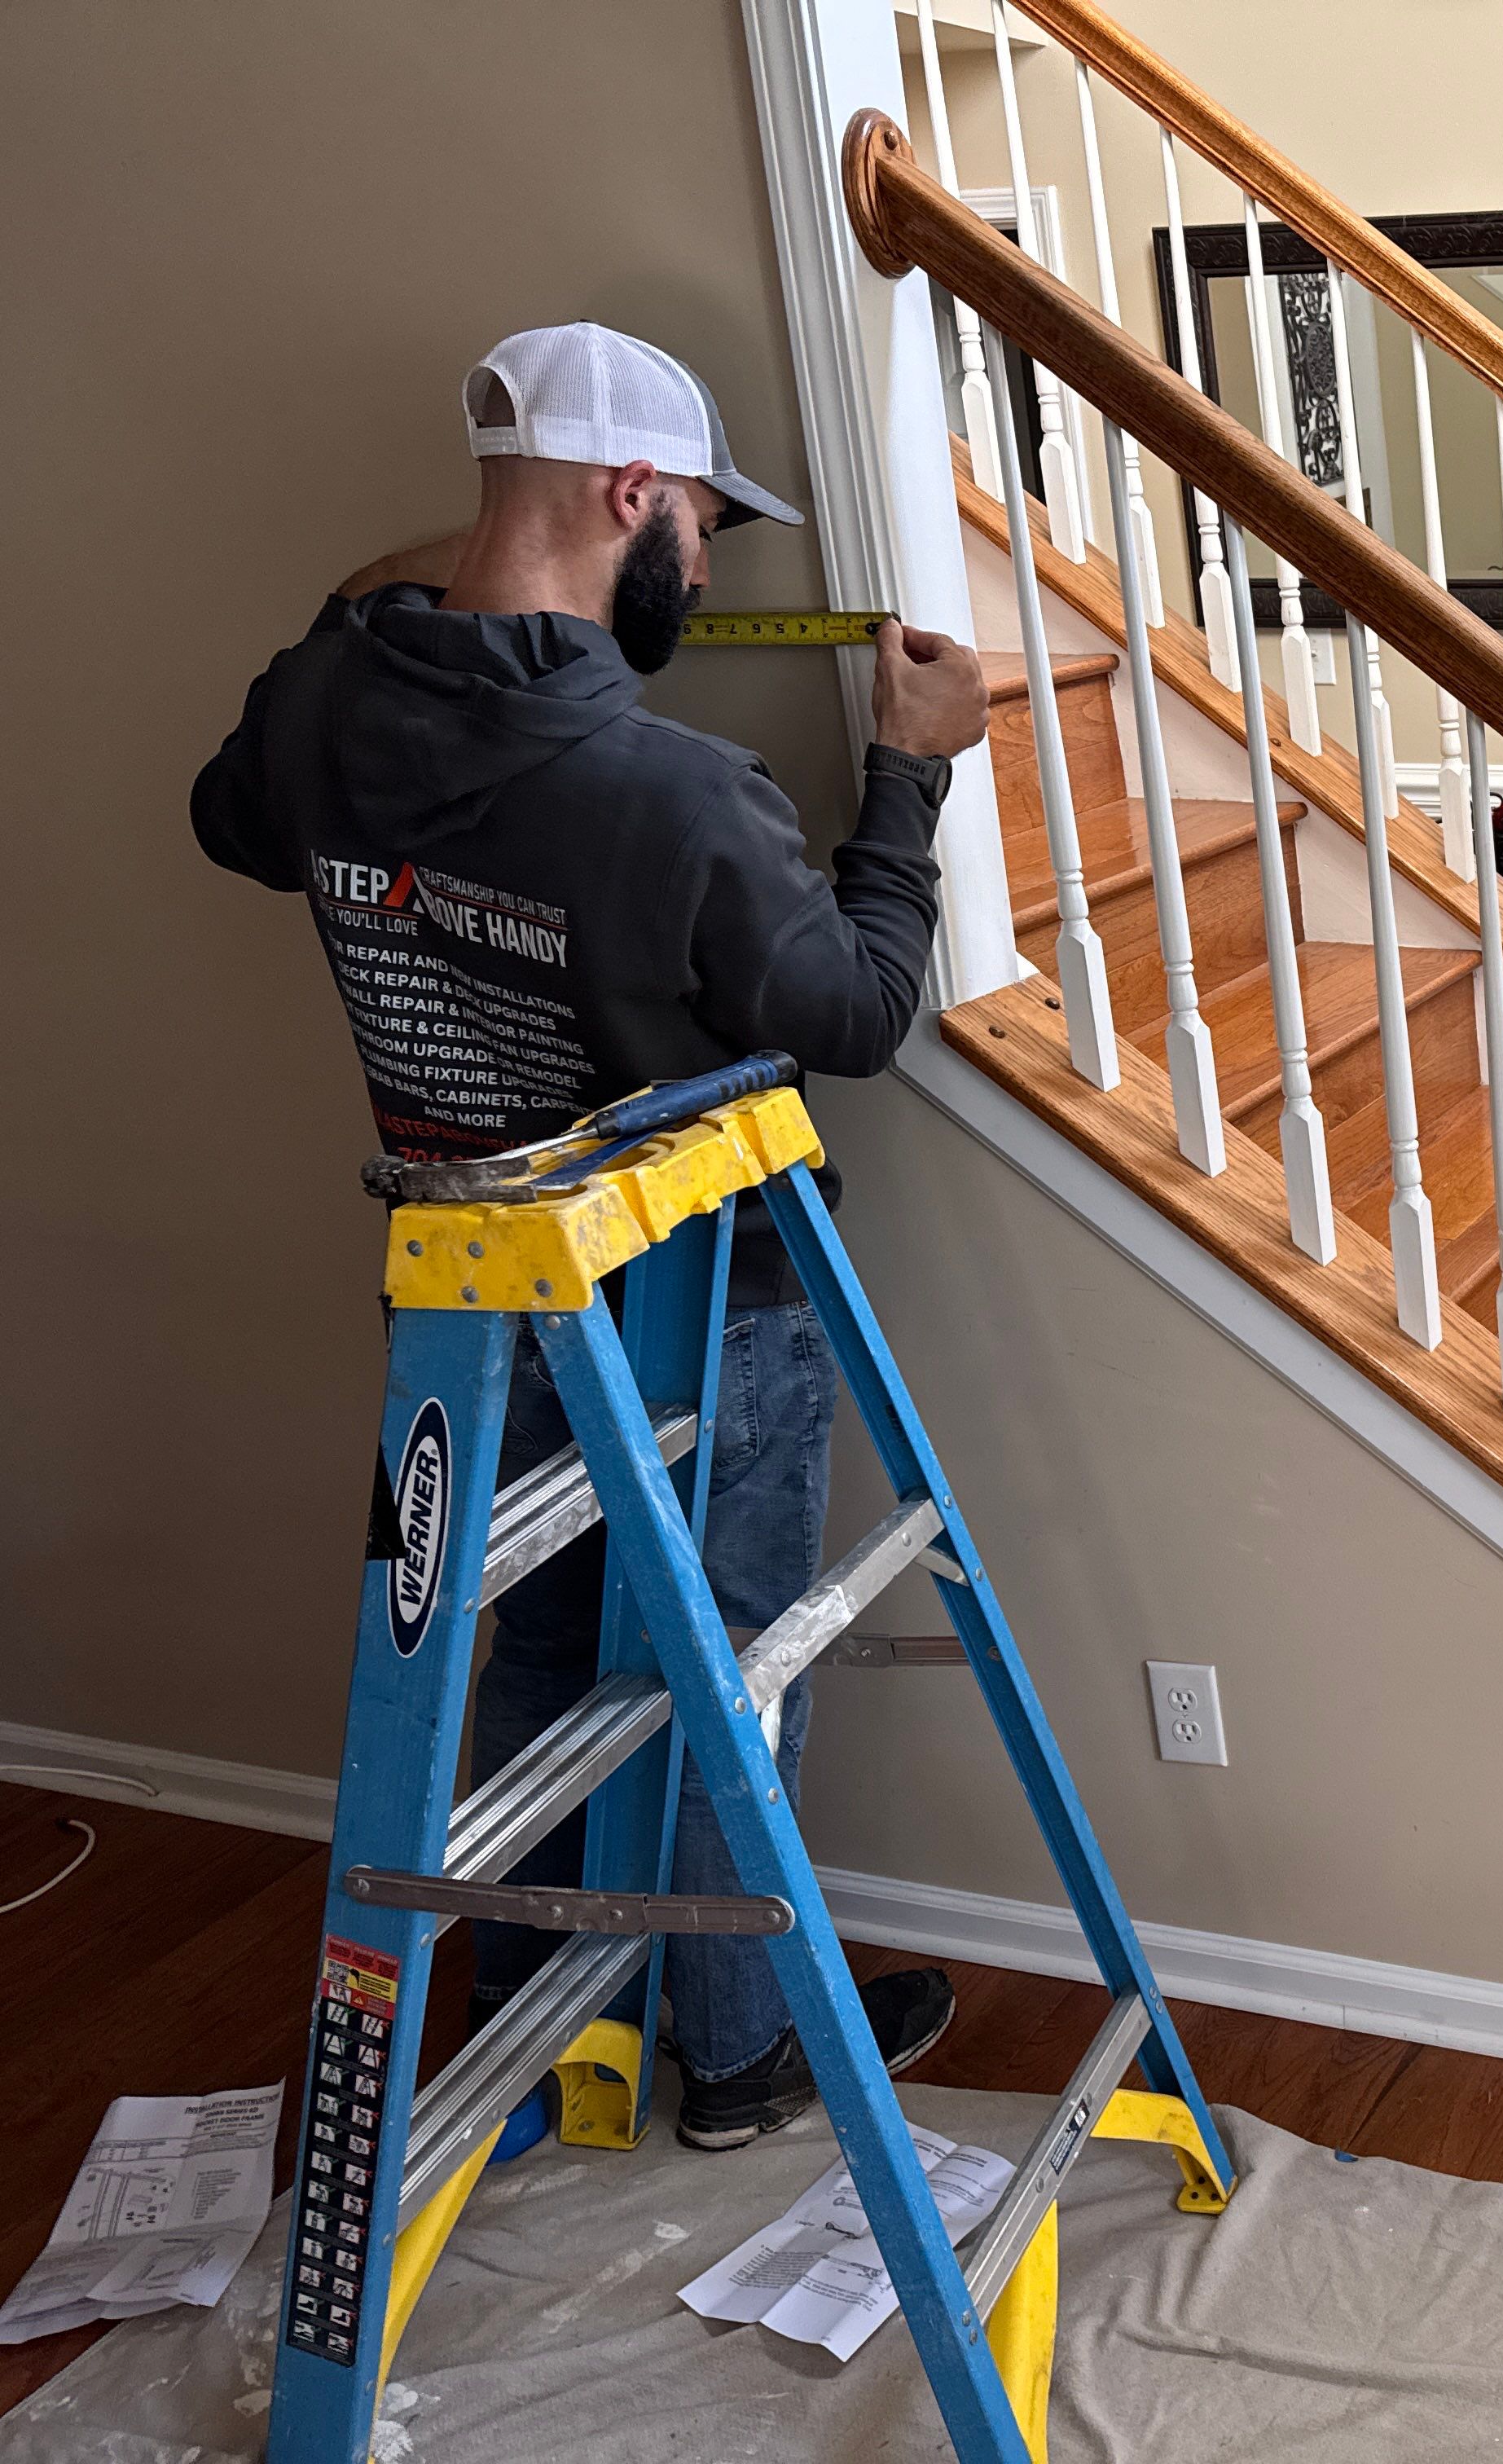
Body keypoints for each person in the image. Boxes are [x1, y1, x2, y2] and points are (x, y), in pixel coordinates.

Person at [192, 323, 990, 2149]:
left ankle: (546, 2028)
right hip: (708, 1286)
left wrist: (361, 615)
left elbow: (235, 821)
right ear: (630, 496)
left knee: (542, 1648)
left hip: (479, 1280)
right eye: (700, 529)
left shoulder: (317, 709)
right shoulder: (676, 795)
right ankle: (727, 2059)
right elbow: (856, 1015)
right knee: (727, 1662)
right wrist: (913, 770)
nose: (701, 573)